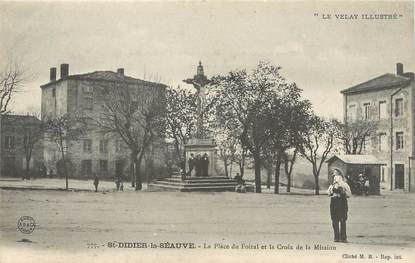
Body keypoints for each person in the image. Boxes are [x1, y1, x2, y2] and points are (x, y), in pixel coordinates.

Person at [327, 168, 351, 243]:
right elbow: (328, 193)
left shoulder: (344, 184)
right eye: (334, 174)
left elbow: (349, 194)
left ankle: (343, 237)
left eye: (336, 174)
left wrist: (342, 192)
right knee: (334, 220)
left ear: (340, 175)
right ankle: (336, 237)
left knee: (342, 219)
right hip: (334, 201)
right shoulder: (332, 185)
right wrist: (331, 192)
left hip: (342, 202)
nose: (335, 176)